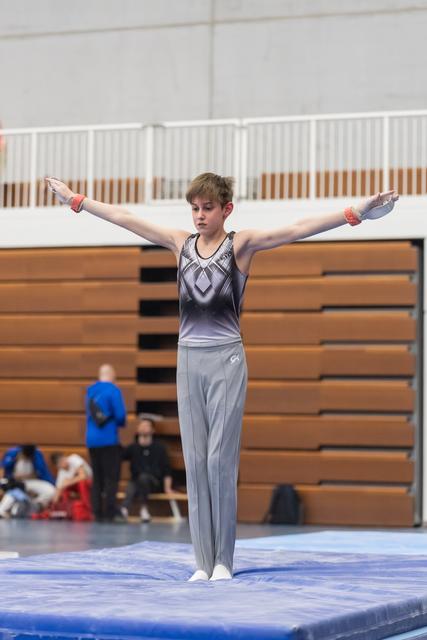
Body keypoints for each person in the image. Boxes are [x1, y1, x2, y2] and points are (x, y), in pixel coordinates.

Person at [45, 173, 399, 580]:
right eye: (194, 208)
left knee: (218, 460)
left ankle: (223, 562)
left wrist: (357, 212)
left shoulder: (240, 246)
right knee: (195, 463)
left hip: (227, 359)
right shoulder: (180, 244)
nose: (199, 216)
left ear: (226, 209)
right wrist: (76, 200)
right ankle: (201, 562)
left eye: (207, 208)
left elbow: (298, 229)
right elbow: (125, 218)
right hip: (188, 360)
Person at [85, 363, 127, 522]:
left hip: (91, 440)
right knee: (111, 477)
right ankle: (109, 512)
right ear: (111, 374)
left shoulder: (90, 391)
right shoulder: (113, 390)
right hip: (109, 439)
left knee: (97, 478)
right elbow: (120, 415)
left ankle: (96, 513)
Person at [121, 415, 173, 522]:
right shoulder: (132, 447)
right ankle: (125, 509)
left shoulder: (160, 448)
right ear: (138, 429)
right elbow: (119, 457)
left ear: (152, 430)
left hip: (154, 483)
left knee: (142, 479)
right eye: (142, 425)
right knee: (133, 483)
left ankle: (143, 508)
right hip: (136, 482)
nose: (144, 427)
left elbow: (167, 469)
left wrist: (168, 488)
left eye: (147, 425)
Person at [1, 444, 55, 509]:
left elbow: (39, 473)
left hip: (30, 482)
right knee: (13, 489)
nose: (23, 458)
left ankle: (34, 505)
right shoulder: (12, 453)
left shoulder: (37, 456)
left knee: (50, 490)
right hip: (12, 481)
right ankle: (2, 510)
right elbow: (3, 469)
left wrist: (22, 477)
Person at [50, 452, 93, 518]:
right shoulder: (61, 472)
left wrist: (68, 482)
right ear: (58, 466)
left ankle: (88, 509)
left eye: (63, 459)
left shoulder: (74, 458)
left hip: (90, 483)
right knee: (64, 490)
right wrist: (53, 505)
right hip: (77, 489)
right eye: (61, 462)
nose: (64, 461)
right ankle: (69, 511)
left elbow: (83, 476)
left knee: (82, 483)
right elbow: (58, 488)